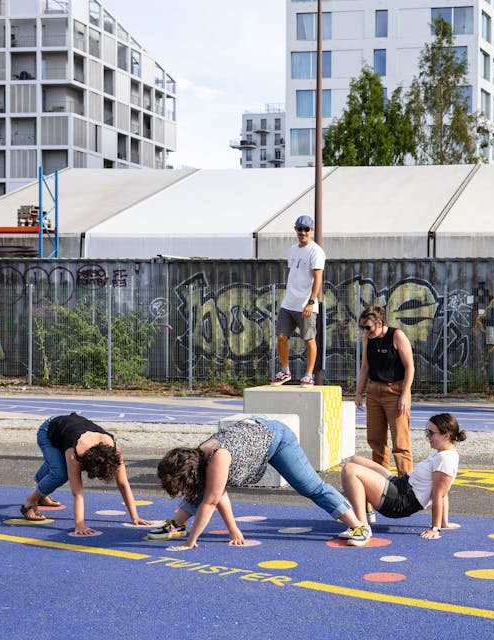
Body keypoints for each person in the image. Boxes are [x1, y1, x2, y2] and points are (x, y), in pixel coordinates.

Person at [153, 417, 372, 548]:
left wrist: (191, 542)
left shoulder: (217, 457)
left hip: (277, 438)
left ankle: (359, 526)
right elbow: (217, 493)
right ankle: (177, 524)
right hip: (255, 434)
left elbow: (210, 503)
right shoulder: (200, 455)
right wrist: (234, 530)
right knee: (207, 487)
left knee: (310, 486)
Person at [18, 413, 151, 535]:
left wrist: (135, 517)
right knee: (60, 473)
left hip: (67, 430)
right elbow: (78, 493)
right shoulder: (75, 452)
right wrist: (79, 525)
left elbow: (123, 484)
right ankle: (31, 501)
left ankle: (43, 490)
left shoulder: (114, 451)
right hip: (48, 431)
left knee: (57, 464)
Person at [340, 413, 465, 540]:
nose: (428, 436)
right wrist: (444, 522)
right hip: (401, 484)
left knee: (350, 470)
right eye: (427, 431)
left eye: (431, 433)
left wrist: (435, 528)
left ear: (446, 436)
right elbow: (444, 490)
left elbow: (439, 494)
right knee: (356, 460)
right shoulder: (442, 453)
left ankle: (362, 527)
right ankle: (367, 512)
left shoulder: (445, 459)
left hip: (401, 501)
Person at [355, 305, 415, 479]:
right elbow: (365, 366)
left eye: (368, 328)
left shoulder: (397, 336)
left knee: (400, 441)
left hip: (395, 390)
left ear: (379, 324)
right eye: (362, 328)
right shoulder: (368, 339)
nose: (365, 332)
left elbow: (410, 367)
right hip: (374, 391)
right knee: (375, 440)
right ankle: (382, 480)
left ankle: (406, 482)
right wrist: (359, 393)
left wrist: (404, 394)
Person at [272, 214, 325, 388]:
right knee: (281, 336)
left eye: (306, 229)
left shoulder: (316, 251)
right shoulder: (293, 250)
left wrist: (311, 302)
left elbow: (318, 278)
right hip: (288, 303)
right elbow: (294, 274)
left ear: (312, 230)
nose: (303, 232)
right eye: (299, 229)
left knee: (309, 339)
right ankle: (285, 370)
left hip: (306, 305)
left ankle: (308, 374)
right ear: (295, 230)